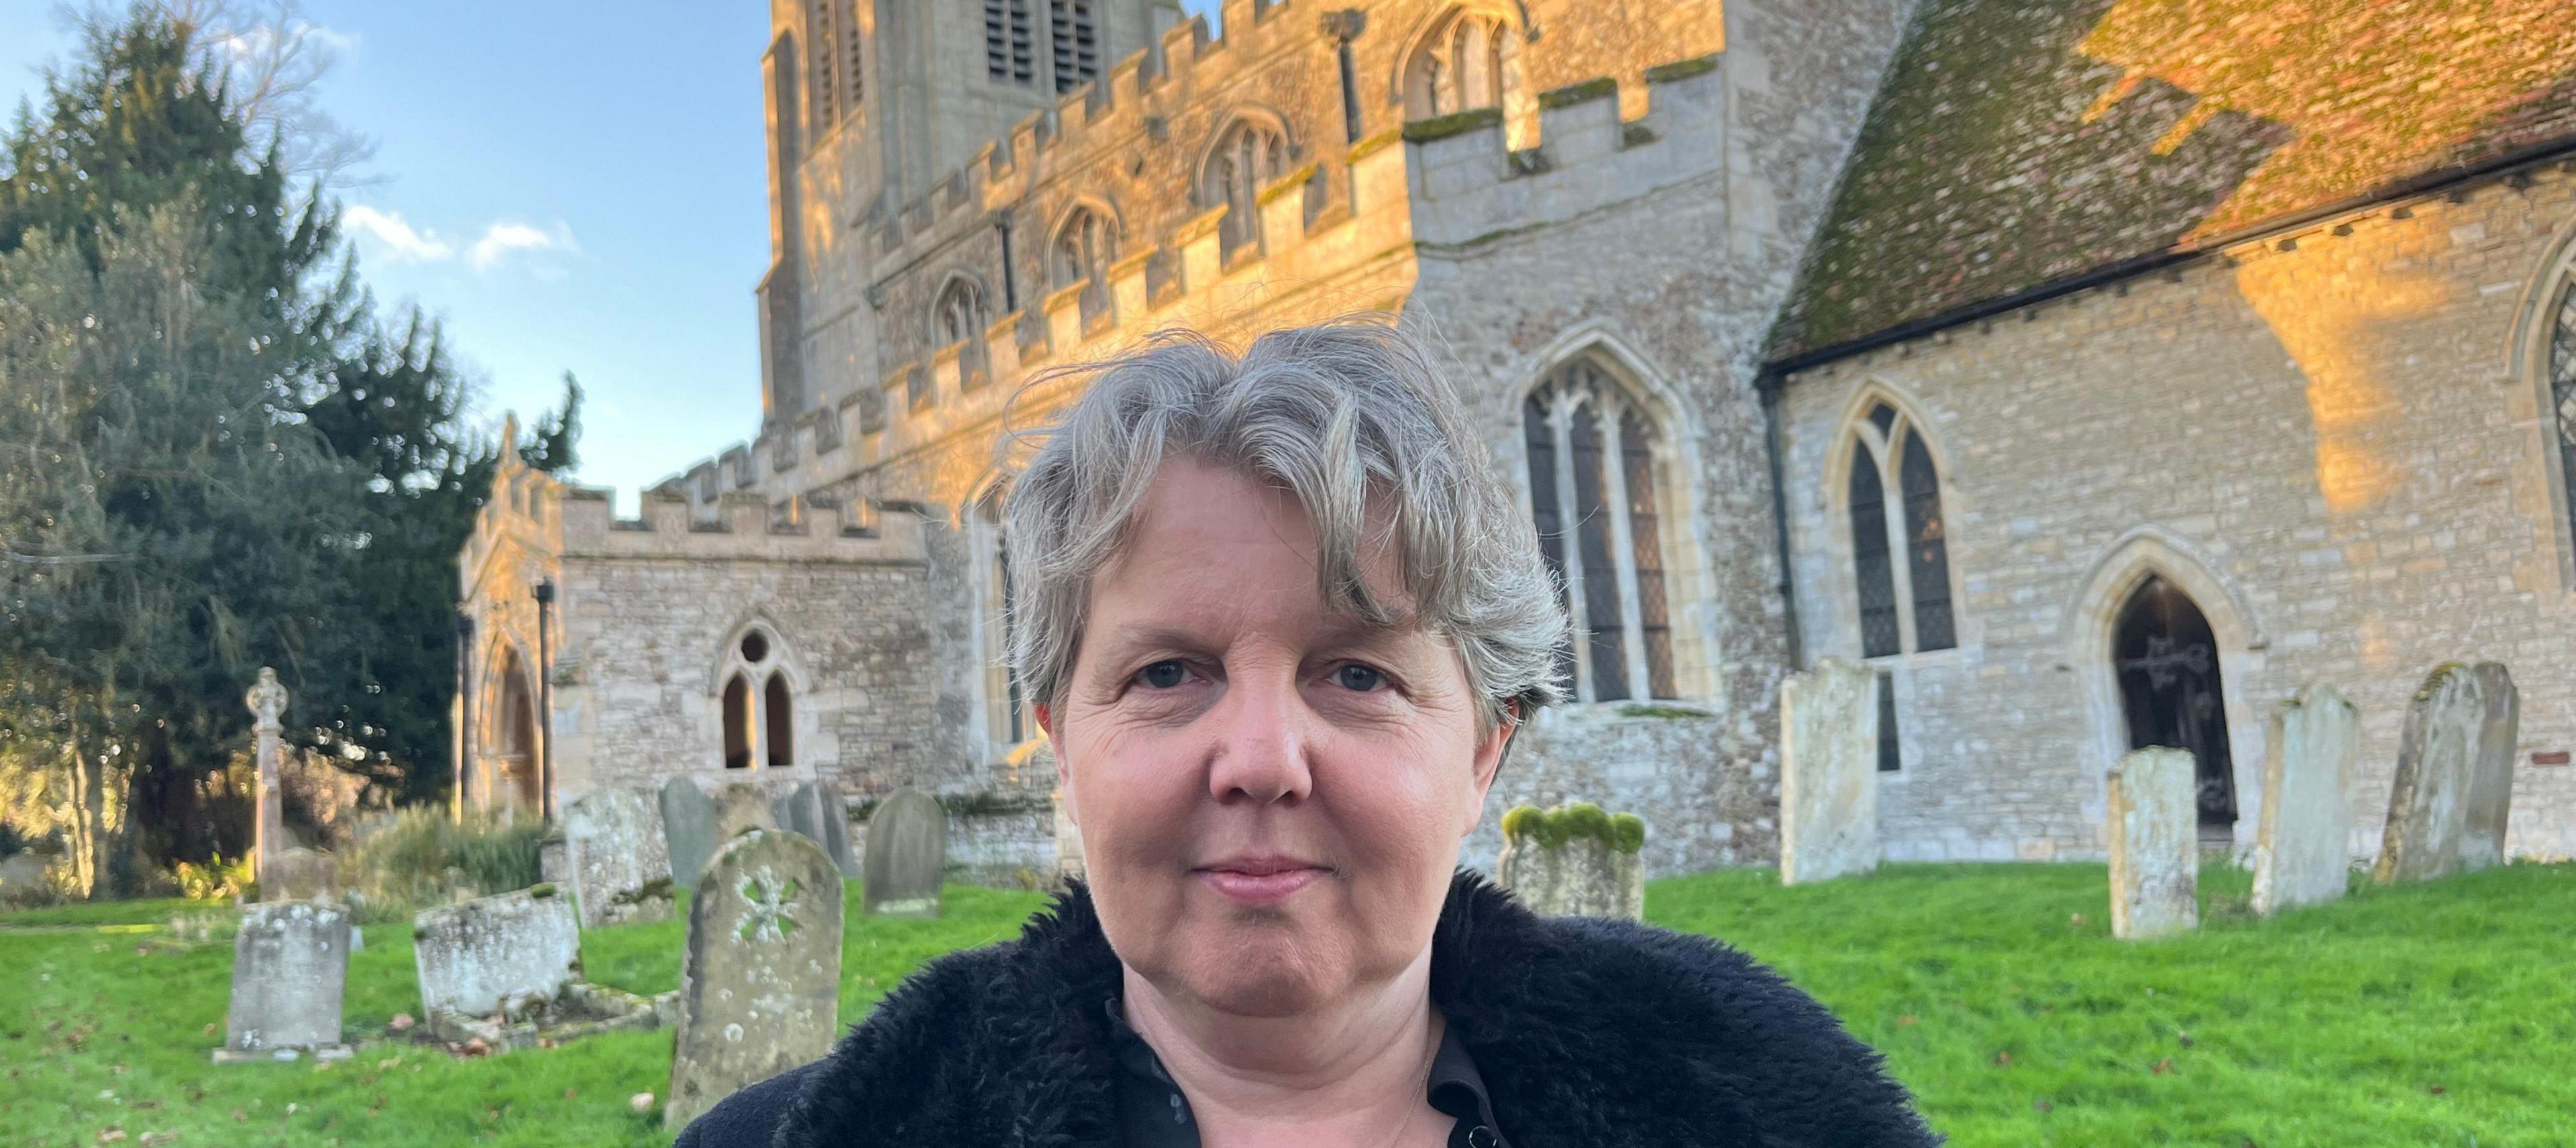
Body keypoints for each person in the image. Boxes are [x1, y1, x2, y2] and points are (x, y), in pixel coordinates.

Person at [680, 321, 1935, 1147]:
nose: (1264, 758)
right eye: (1169, 672)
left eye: (1357, 673)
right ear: (1063, 741)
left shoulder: (1758, 1108)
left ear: (1487, 749)